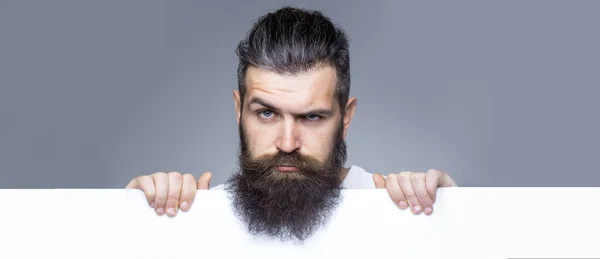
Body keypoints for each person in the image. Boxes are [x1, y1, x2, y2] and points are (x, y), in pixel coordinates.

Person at [126, 6, 458, 241]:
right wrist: (127, 223)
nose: (287, 143)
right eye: (267, 113)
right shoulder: (193, 216)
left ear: (346, 118)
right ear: (239, 110)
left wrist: (453, 216)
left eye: (312, 116)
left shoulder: (396, 208)